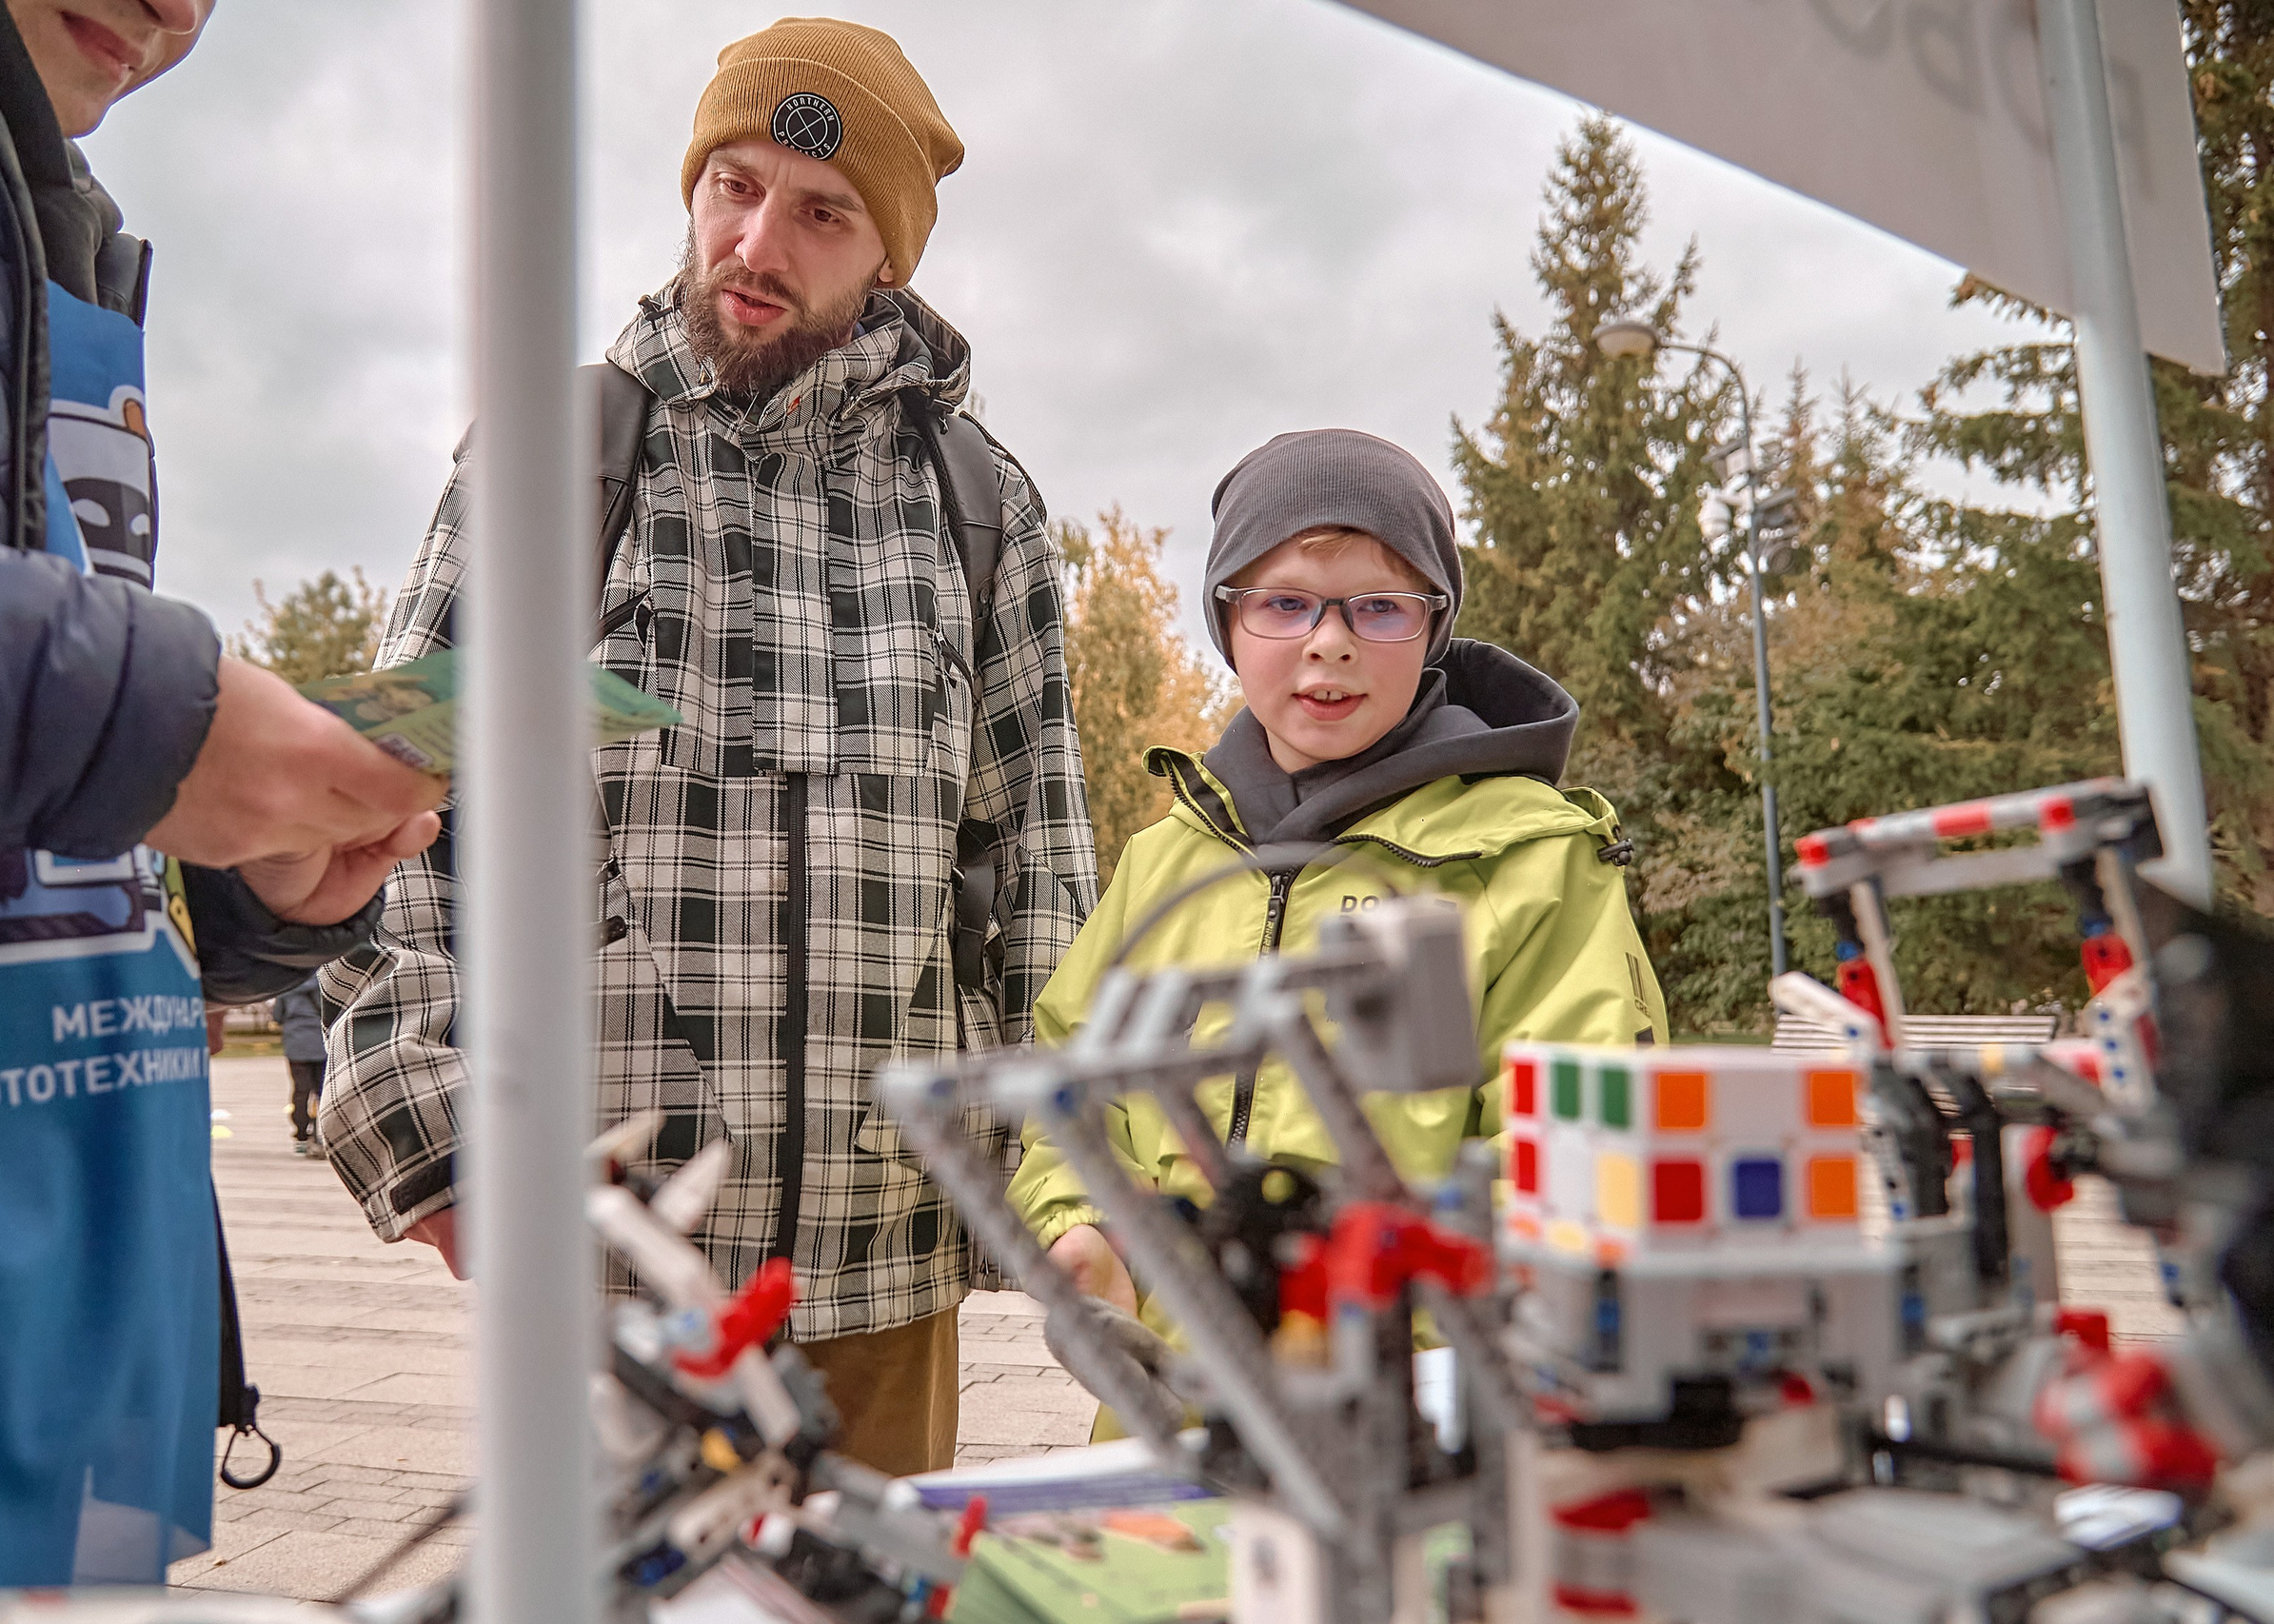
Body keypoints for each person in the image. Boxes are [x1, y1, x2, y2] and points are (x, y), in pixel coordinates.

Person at [322, 16, 1097, 1478]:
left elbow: (1044, 872)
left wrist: (1053, 1187)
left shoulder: (984, 503)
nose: (757, 238)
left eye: (820, 212)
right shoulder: (557, 454)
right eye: (730, 186)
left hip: (884, 1267)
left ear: (888, 256)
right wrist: (428, 1132)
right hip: (613, 1259)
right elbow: (390, 808)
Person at [0, 1, 443, 1616]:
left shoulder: (64, 235)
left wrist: (268, 888)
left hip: (77, 1292)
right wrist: (159, 720)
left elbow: (18, 817)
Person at [1009, 429, 1668, 1370]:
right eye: (1283, 603)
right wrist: (1082, 1225)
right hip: (1172, 1408)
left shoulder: (1533, 861)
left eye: (1379, 608)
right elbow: (1074, 1076)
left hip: (1427, 1412)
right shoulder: (1165, 861)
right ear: (1227, 620)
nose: (1330, 643)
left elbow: (1585, 1149)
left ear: (1433, 623)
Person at [275, 980, 328, 1157]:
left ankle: (301, 1135)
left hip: (295, 1044)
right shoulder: (323, 984)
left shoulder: (286, 985)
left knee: (300, 1090)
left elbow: (277, 1016)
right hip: (319, 1043)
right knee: (322, 1091)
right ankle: (322, 1132)